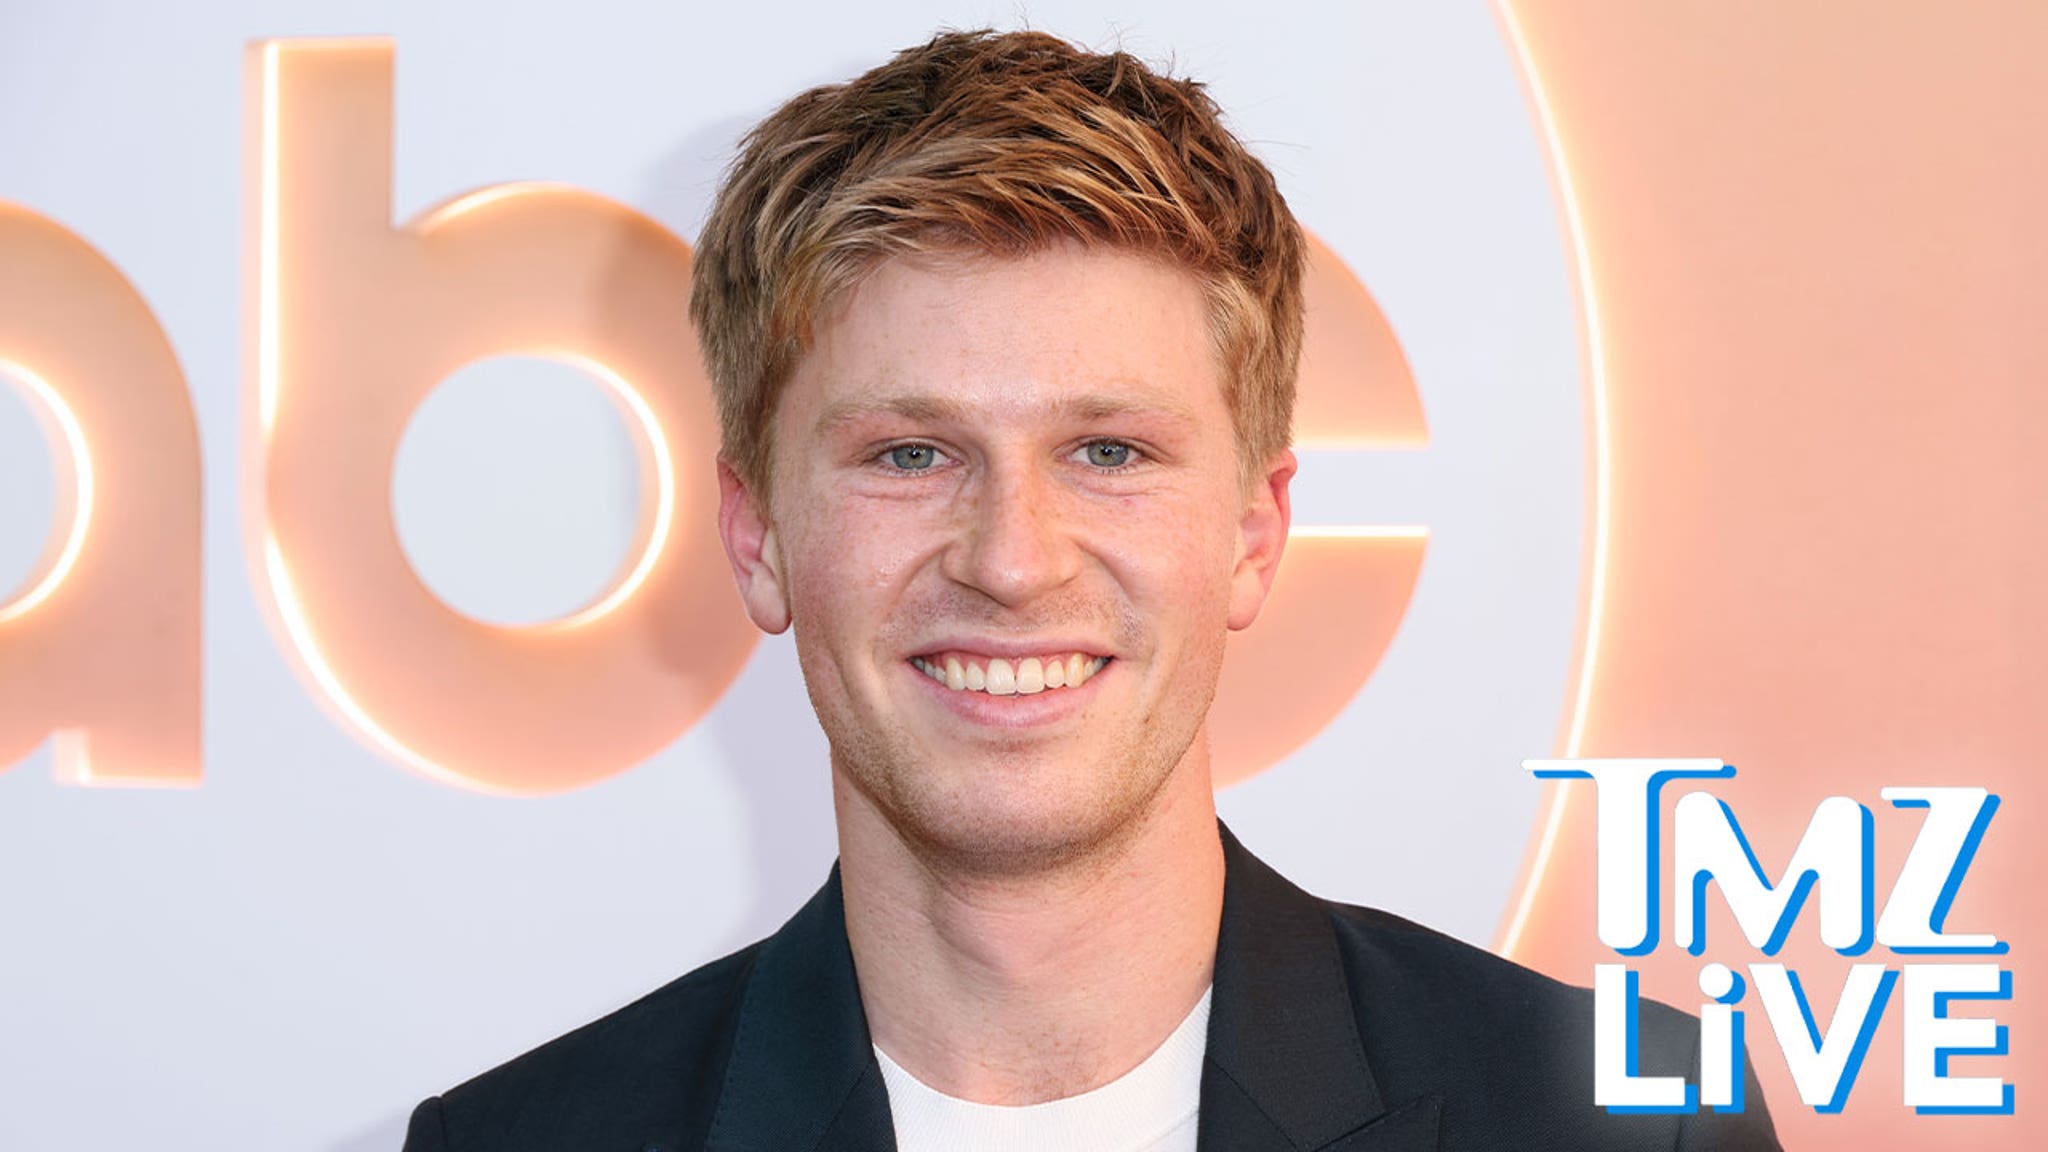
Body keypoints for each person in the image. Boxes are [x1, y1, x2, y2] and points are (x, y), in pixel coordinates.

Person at [402, 29, 1778, 1152]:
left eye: (1108, 452)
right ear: (756, 536)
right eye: (911, 453)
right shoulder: (515, 1142)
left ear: (1253, 532)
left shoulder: (1622, 1125)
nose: (1013, 560)